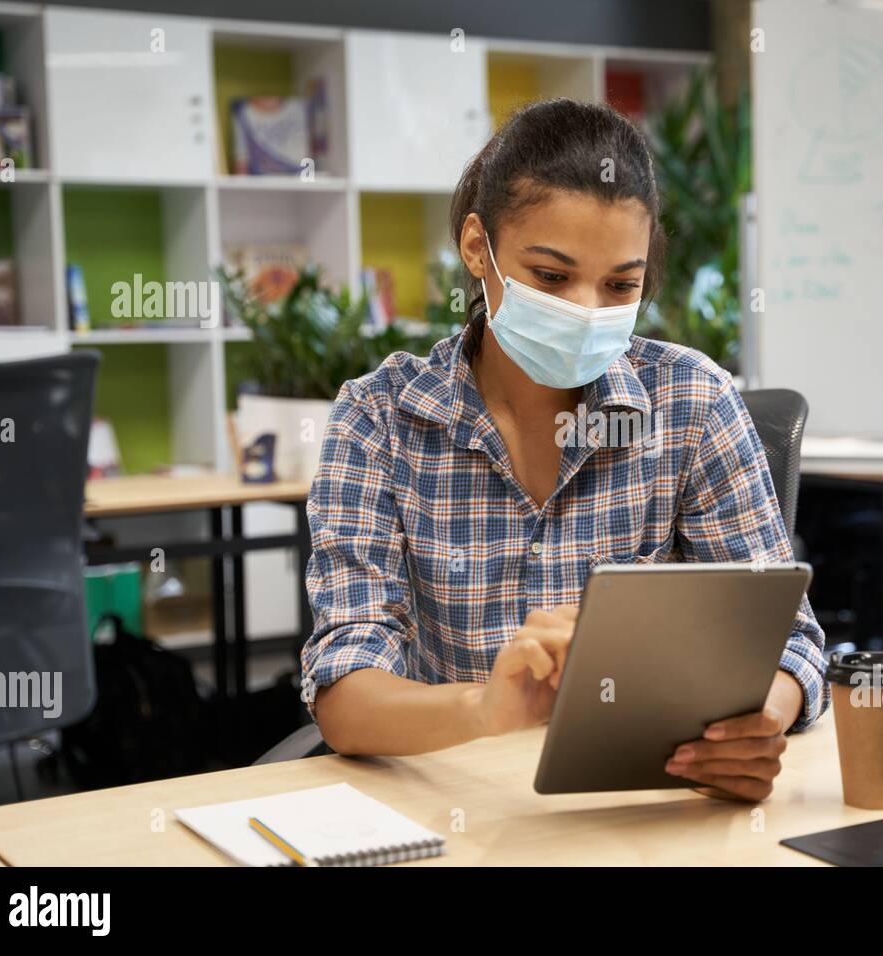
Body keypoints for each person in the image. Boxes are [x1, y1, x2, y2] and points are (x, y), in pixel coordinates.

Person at [301, 98, 827, 801]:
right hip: (461, 808)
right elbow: (344, 687)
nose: (586, 310)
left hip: (649, 807)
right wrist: (483, 710)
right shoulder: (379, 418)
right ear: (476, 247)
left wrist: (760, 721)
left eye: (620, 285)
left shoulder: (691, 403)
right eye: (552, 277)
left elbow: (791, 641)